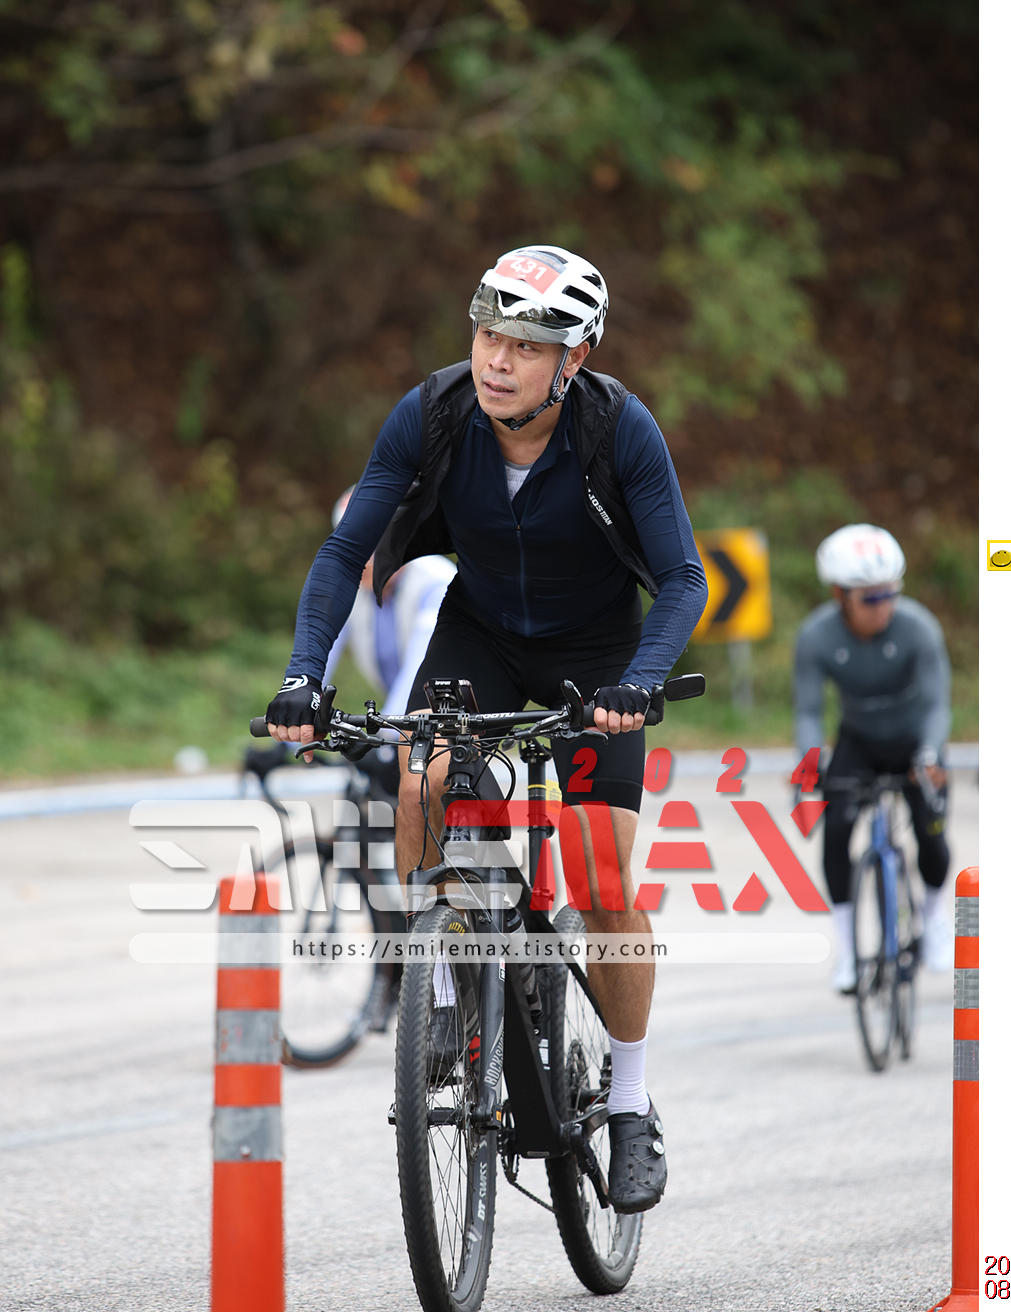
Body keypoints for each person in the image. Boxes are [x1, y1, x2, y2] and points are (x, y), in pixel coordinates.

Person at [264, 244, 708, 1212]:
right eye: (487, 335)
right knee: (420, 782)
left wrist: (638, 683)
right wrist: (303, 675)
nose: (497, 360)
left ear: (574, 359)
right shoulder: (432, 413)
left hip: (597, 657)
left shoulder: (618, 429)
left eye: (526, 346)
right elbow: (343, 553)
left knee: (598, 874)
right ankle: (443, 996)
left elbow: (682, 577)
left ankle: (629, 1103)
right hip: (481, 636)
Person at [793, 523, 953, 994]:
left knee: (931, 830)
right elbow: (808, 712)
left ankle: (933, 917)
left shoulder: (918, 627)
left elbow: (938, 704)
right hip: (859, 741)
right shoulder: (816, 636)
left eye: (890, 593)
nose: (883, 606)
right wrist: (810, 762)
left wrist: (930, 753)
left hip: (915, 740)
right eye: (871, 598)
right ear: (839, 595)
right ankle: (847, 950)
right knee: (835, 830)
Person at [321, 488, 456, 797]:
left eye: (373, 544)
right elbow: (322, 651)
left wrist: (383, 738)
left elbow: (419, 668)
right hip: (396, 723)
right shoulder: (355, 583)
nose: (362, 559)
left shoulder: (436, 580)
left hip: (446, 718)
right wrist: (291, 726)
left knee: (426, 803)